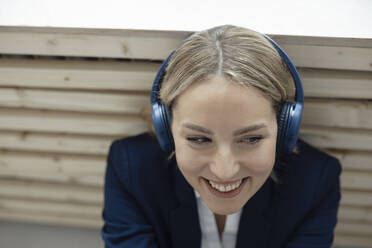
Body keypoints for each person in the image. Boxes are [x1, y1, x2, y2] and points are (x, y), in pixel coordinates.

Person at [101, 25, 342, 248]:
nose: (224, 171)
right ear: (167, 128)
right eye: (199, 139)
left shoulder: (316, 181)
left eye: (251, 139)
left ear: (284, 129)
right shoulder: (131, 168)